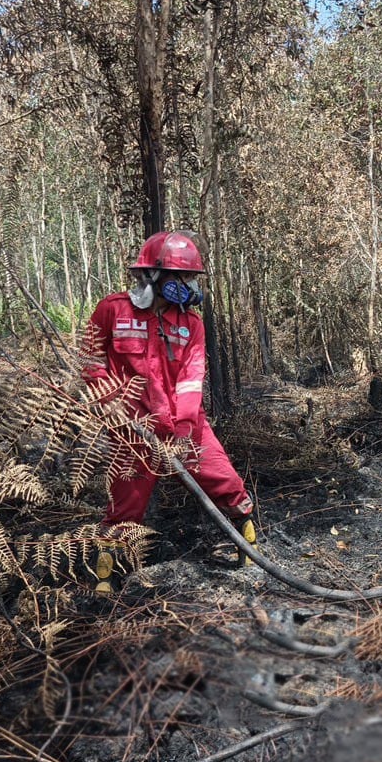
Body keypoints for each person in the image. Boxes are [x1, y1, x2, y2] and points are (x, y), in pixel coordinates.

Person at [81, 231, 256, 591]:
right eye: (183, 277)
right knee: (124, 505)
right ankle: (106, 578)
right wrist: (109, 402)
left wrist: (184, 425)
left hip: (184, 425)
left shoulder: (190, 323)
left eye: (191, 278)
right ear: (154, 275)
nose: (188, 285)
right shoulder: (111, 310)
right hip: (131, 427)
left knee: (224, 482)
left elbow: (192, 376)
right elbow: (91, 360)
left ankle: (247, 544)